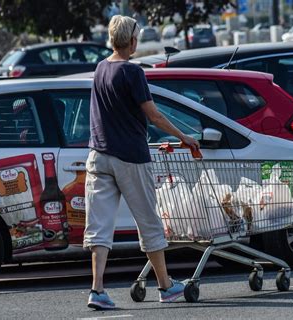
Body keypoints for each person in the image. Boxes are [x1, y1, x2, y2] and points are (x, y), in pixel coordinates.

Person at [83, 15, 200, 310]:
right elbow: (154, 115)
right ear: (133, 41)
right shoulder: (133, 73)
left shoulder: (100, 69)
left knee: (99, 226)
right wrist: (184, 137)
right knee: (148, 222)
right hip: (130, 158)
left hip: (98, 155)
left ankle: (97, 290)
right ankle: (165, 286)